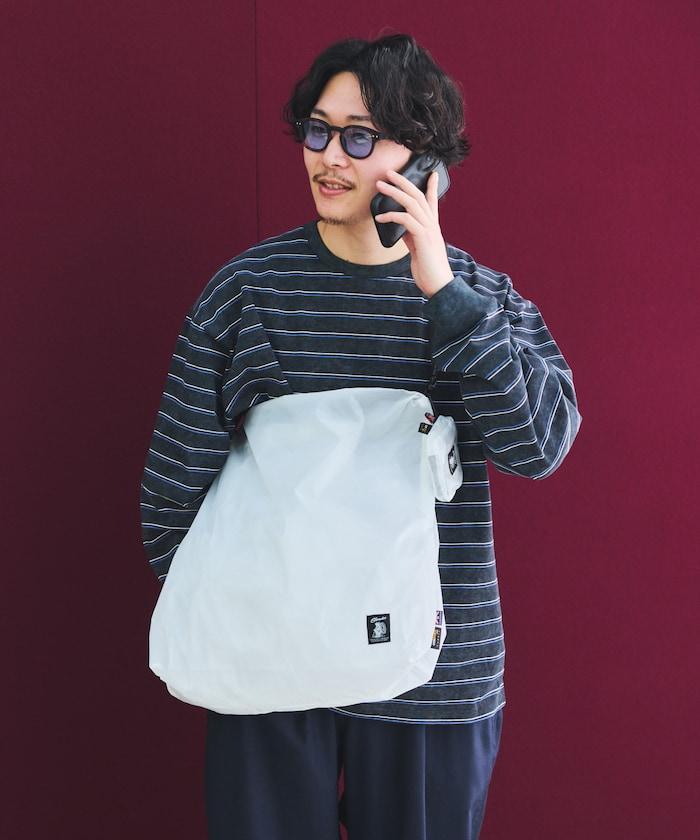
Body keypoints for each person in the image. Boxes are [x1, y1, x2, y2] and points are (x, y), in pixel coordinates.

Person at [140, 32, 582, 840]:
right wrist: (242, 616)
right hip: (271, 672)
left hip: (435, 684)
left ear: (425, 160)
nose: (328, 157)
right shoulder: (247, 294)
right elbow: (172, 494)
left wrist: (442, 293)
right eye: (318, 130)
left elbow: (540, 445)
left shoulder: (479, 298)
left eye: (359, 137)